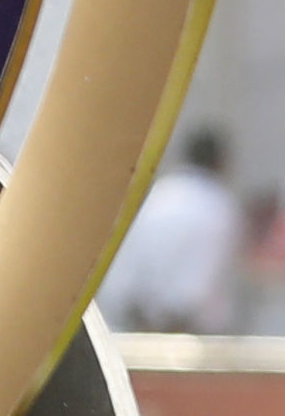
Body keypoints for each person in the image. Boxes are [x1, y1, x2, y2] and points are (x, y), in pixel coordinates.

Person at [101, 123, 245, 336]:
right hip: (190, 336)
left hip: (133, 323)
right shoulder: (219, 208)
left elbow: (123, 272)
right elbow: (202, 285)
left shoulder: (157, 195)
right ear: (221, 162)